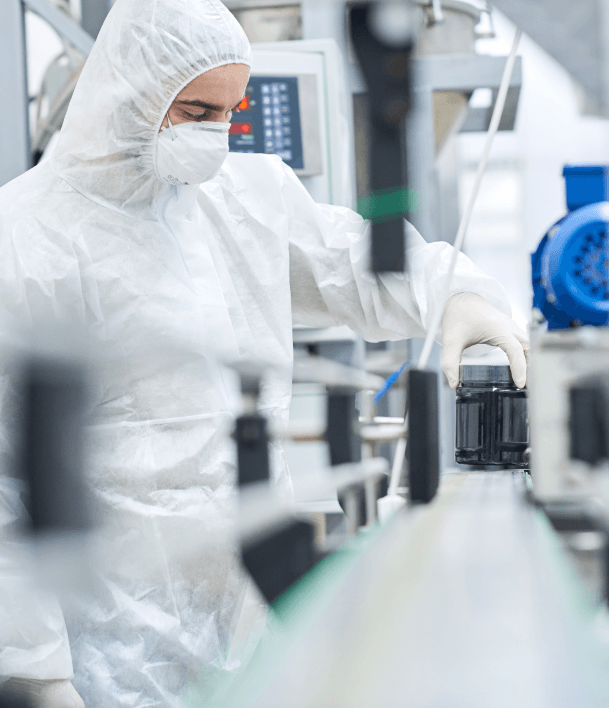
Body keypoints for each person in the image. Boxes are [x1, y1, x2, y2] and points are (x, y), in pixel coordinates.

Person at [0, 0, 527, 705]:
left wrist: (457, 294)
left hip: (253, 625)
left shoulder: (244, 198)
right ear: (128, 93)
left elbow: (362, 264)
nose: (215, 135)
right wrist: (39, 675)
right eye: (194, 111)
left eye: (229, 111)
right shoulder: (22, 237)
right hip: (108, 651)